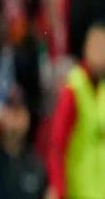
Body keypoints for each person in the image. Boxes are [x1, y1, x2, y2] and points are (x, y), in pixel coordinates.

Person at [46, 22, 105, 199]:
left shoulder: (103, 90)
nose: (100, 52)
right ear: (85, 47)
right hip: (78, 191)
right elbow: (57, 145)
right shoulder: (73, 88)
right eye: (96, 45)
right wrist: (59, 189)